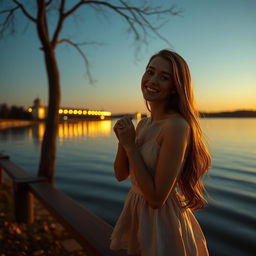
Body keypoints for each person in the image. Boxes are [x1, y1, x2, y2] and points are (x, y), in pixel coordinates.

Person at [110, 49, 211, 256]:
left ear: (175, 87)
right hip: (137, 212)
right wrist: (123, 142)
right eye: (150, 72)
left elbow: (157, 199)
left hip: (162, 222)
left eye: (164, 77)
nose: (152, 80)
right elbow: (121, 175)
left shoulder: (176, 126)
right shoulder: (144, 124)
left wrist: (130, 146)